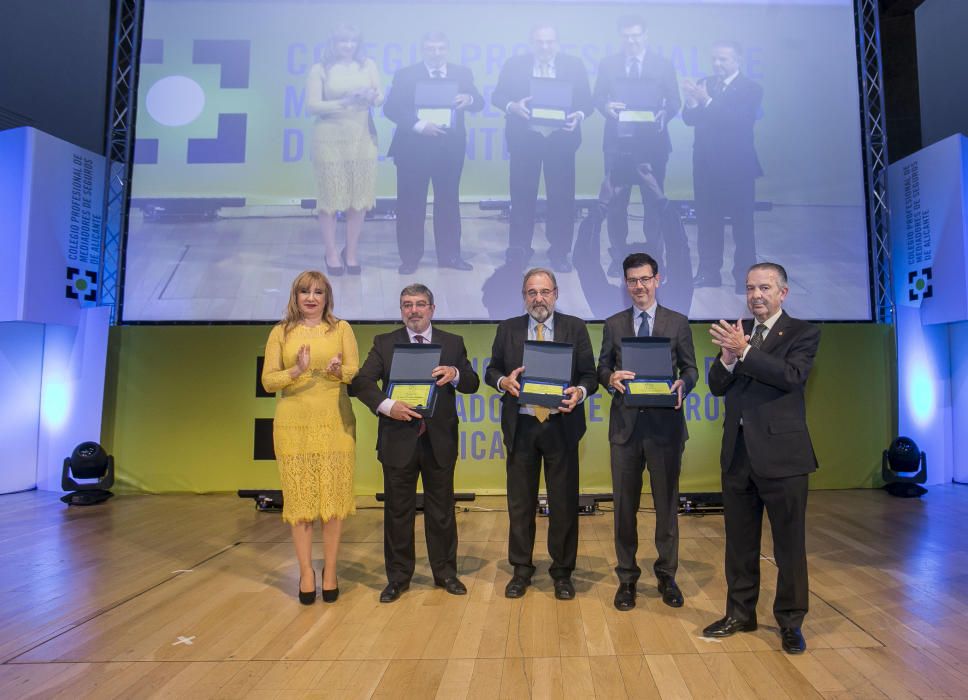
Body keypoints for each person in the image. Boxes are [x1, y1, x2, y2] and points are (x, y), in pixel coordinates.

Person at [704, 262, 821, 654]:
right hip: (738, 455)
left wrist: (746, 351)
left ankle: (791, 621)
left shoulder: (803, 333)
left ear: (783, 293)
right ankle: (740, 613)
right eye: (751, 288)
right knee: (738, 543)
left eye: (765, 288)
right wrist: (727, 358)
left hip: (783, 457)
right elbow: (718, 387)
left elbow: (791, 376)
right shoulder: (742, 335)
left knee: (789, 545)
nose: (756, 295)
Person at [350, 284, 479, 603]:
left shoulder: (452, 342)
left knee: (442, 512)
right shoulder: (384, 343)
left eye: (421, 304)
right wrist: (386, 405)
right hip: (398, 439)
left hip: (439, 441)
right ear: (401, 310)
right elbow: (361, 382)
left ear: (432, 309)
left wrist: (456, 373)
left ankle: (446, 573)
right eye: (407, 305)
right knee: (397, 512)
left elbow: (472, 383)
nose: (414, 310)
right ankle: (397, 577)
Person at [485, 268, 597, 600]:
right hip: (521, 428)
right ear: (524, 296)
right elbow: (491, 369)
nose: (538, 298)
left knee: (563, 503)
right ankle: (521, 570)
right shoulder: (508, 329)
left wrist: (579, 391)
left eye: (544, 292)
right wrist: (503, 382)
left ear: (556, 293)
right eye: (532, 292)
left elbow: (590, 375)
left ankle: (562, 572)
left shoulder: (574, 328)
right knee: (520, 504)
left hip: (561, 426)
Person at [598, 252, 697, 611]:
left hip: (666, 430)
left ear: (658, 280)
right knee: (624, 508)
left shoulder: (678, 322)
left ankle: (666, 575)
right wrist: (609, 378)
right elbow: (601, 367)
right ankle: (627, 577)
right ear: (625, 285)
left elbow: (691, 370)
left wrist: (683, 385)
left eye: (644, 279)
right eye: (632, 281)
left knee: (666, 506)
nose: (638, 286)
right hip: (625, 430)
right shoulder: (613, 324)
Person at [261, 270, 360, 605]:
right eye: (305, 291)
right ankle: (305, 573)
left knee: (332, 505)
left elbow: (354, 373)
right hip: (294, 424)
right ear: (296, 296)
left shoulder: (341, 328)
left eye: (318, 291)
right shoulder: (280, 332)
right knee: (301, 504)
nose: (311, 297)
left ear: (326, 297)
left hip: (335, 421)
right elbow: (268, 382)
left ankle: (329, 572)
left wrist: (337, 372)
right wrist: (297, 371)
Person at [491, 24, 593, 273]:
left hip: (561, 140)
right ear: (531, 43)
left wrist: (578, 115)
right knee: (522, 198)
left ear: (557, 42)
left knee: (562, 200)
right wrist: (512, 106)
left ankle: (559, 253)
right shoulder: (515, 64)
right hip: (525, 140)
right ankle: (519, 251)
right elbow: (497, 96)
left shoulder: (574, 65)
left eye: (549, 42)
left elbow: (587, 102)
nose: (545, 47)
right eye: (540, 42)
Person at [383, 32, 484, 274]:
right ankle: (410, 258)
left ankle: (450, 255)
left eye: (440, 48)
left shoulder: (462, 73)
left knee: (448, 202)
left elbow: (479, 103)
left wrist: (468, 98)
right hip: (412, 148)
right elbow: (391, 108)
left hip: (449, 148)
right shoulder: (406, 74)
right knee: (410, 204)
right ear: (423, 50)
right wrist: (419, 125)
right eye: (431, 48)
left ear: (447, 49)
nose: (436, 53)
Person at [593, 16, 681, 277]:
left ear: (646, 36)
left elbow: (675, 101)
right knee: (617, 204)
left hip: (652, 145)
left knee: (653, 204)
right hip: (617, 144)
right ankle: (619, 256)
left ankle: (654, 258)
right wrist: (606, 107)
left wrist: (665, 113)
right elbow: (597, 96)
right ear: (620, 37)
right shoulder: (608, 64)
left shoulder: (663, 65)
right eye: (626, 36)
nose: (631, 41)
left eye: (636, 36)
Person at [682, 42, 763, 293]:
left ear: (738, 59)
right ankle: (708, 272)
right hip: (706, 167)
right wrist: (692, 103)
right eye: (715, 59)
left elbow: (737, 120)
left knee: (742, 224)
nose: (717, 64)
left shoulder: (751, 88)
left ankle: (744, 278)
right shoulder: (707, 82)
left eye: (723, 60)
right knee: (707, 222)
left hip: (737, 167)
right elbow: (689, 120)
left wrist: (705, 100)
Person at [306, 23, 383, 276]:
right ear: (333, 44)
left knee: (358, 199)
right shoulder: (320, 69)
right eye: (343, 42)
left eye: (352, 42)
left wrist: (371, 96)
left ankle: (350, 252)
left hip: (362, 138)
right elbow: (312, 106)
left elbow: (379, 95)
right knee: (330, 200)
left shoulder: (368, 65)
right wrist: (345, 101)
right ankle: (330, 252)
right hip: (329, 138)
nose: (348, 47)